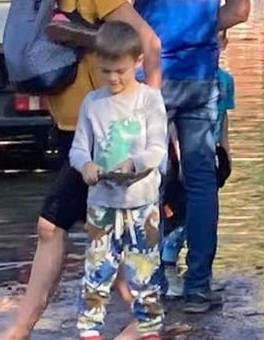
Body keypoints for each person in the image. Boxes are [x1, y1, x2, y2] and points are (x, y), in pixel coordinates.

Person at [0, 0, 161, 340]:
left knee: (51, 226)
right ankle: (146, 323)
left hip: (102, 136)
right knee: (106, 228)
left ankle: (20, 328)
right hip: (68, 130)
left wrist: (151, 103)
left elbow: (148, 40)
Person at [113, 0, 251, 313]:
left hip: (151, 79)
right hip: (201, 76)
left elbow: (120, 12)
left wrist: (153, 36)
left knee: (146, 179)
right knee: (201, 180)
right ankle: (198, 287)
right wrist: (200, 25)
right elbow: (241, 9)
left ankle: (147, 285)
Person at [69, 21, 168, 340]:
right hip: (101, 204)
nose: (113, 78)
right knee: (97, 272)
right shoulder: (92, 104)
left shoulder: (149, 100)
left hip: (142, 204)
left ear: (138, 62)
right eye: (106, 71)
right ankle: (89, 330)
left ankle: (149, 330)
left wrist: (135, 163)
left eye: (120, 71)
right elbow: (78, 148)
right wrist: (85, 165)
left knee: (145, 272)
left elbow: (157, 148)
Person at [160, 33, 234, 299]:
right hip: (182, 152)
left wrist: (226, 150)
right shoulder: (188, 77)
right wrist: (178, 157)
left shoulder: (225, 81)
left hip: (208, 151)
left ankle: (199, 273)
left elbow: (223, 117)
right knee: (176, 210)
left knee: (198, 207)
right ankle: (169, 266)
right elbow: (172, 125)